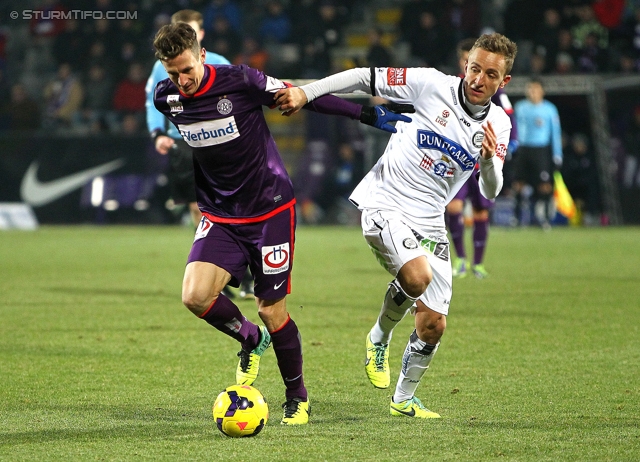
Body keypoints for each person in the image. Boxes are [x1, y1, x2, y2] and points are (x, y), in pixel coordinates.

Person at [152, 22, 412, 425]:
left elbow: (302, 96)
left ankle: (298, 397)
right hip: (221, 215)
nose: (181, 81)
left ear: (202, 55)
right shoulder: (165, 98)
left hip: (270, 210)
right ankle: (249, 339)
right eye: (173, 73)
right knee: (195, 297)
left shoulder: (240, 80)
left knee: (272, 311)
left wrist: (366, 114)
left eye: (187, 69)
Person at [275, 32, 517, 418]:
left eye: (490, 74)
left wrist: (488, 160)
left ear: (503, 81)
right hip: (384, 200)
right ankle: (379, 337)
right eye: (474, 69)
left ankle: (403, 400)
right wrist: (306, 93)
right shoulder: (430, 85)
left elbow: (490, 191)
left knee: (434, 324)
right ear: (464, 65)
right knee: (417, 277)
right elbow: (360, 77)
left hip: (430, 218)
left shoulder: (498, 125)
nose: (478, 79)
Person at [145, 10, 249, 299]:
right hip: (184, 143)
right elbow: (153, 102)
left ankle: (245, 268)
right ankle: (216, 267)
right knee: (196, 207)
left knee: (232, 205)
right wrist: (158, 133)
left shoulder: (220, 63)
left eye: (189, 31)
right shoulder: (161, 68)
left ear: (200, 36)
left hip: (221, 143)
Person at [446, 38, 519, 279]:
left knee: (480, 212)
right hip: (457, 160)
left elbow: (508, 114)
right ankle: (460, 260)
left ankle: (477, 264)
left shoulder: (492, 87)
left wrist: (511, 141)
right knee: (453, 206)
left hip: (482, 161)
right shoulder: (453, 87)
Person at [512, 78, 563, 228]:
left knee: (544, 185)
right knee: (518, 184)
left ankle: (546, 218)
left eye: (535, 89)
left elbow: (555, 133)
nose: (533, 93)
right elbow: (514, 130)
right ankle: (516, 218)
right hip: (524, 149)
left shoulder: (550, 109)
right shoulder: (520, 107)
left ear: (542, 91)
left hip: (541, 150)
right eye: (530, 89)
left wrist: (557, 154)